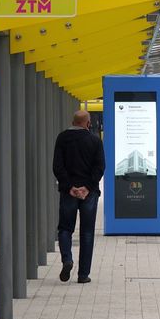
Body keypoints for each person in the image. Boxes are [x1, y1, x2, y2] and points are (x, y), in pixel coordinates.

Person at [52, 110, 105, 284]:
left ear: (73, 121)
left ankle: (67, 259)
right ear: (88, 123)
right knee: (87, 232)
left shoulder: (62, 138)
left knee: (65, 229)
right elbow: (100, 167)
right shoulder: (95, 141)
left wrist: (70, 187)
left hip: (69, 193)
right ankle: (83, 275)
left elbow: (57, 166)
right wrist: (87, 187)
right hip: (89, 193)